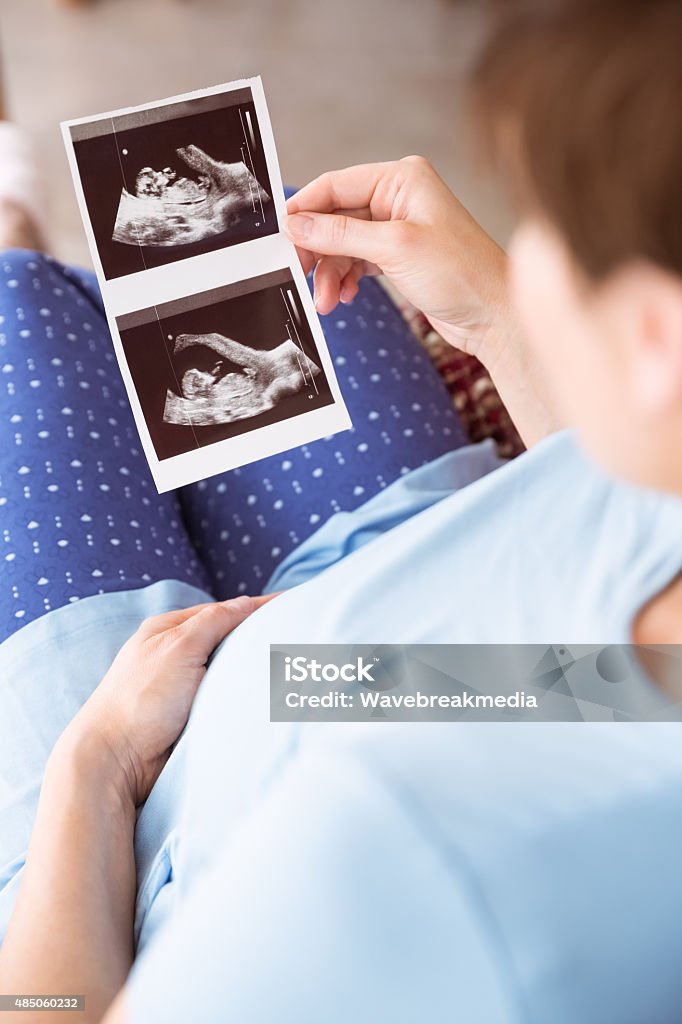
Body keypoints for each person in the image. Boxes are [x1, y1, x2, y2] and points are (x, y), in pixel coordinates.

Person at [1, 0, 682, 1021]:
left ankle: (13, 220)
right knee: (236, 229)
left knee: (18, 302)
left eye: (545, 232)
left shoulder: (420, 862)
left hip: (119, 847)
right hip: (386, 615)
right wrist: (496, 312)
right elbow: (588, 645)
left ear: (650, 335)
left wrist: (95, 765)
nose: (519, 251)